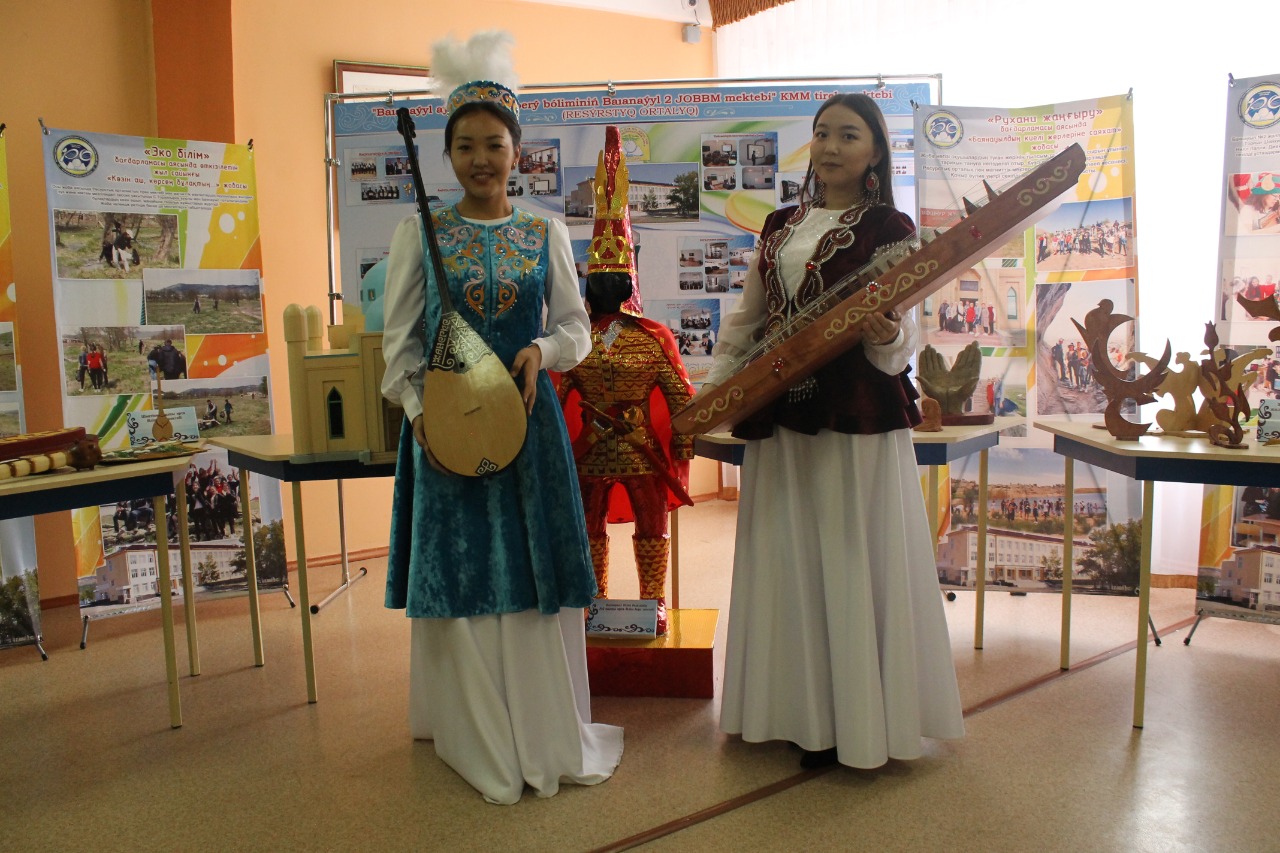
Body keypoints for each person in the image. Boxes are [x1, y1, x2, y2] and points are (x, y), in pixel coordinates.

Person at [379, 30, 621, 806]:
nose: (481, 159)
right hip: (444, 431)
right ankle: (473, 732)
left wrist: (541, 351)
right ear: (447, 155)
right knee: (462, 576)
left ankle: (541, 729)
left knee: (528, 575)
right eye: (466, 147)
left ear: (518, 151)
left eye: (494, 144)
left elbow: (577, 327)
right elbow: (399, 346)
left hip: (527, 426)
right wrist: (421, 412)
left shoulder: (544, 231)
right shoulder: (420, 233)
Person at [706, 92, 964, 771]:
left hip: (856, 415)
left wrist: (885, 334)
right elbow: (748, 318)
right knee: (788, 553)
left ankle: (858, 720)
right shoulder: (779, 225)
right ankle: (796, 712)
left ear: (875, 151)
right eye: (822, 133)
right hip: (781, 411)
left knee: (849, 556)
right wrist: (714, 393)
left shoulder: (891, 228)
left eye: (849, 135)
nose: (830, 146)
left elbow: (905, 336)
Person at [557, 126, 694, 636]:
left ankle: (644, 601)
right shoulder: (616, 337)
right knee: (606, 528)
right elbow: (556, 397)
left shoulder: (633, 338)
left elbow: (679, 396)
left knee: (640, 528)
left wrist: (683, 440)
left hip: (619, 450)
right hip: (611, 452)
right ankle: (604, 601)